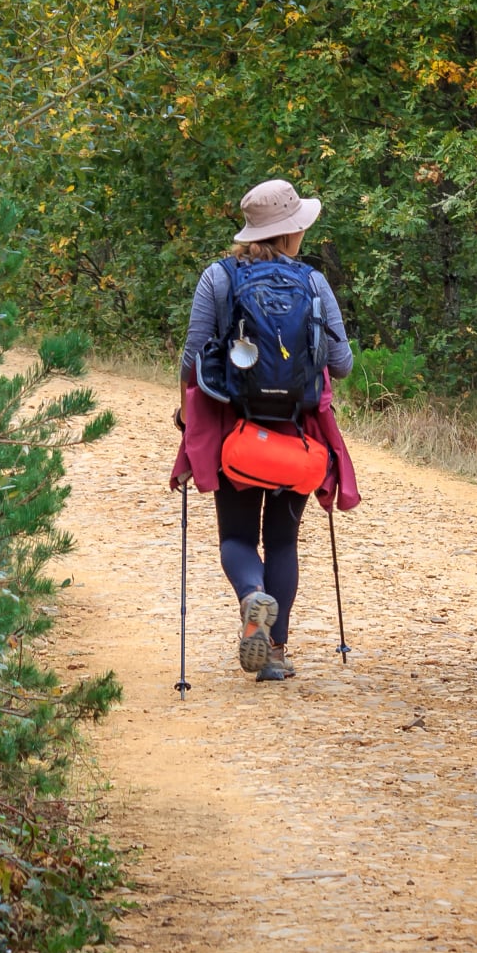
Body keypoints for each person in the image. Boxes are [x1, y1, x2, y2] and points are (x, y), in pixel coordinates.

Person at [179, 178, 354, 681]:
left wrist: (188, 423)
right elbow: (339, 363)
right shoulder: (313, 282)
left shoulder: (218, 277)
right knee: (283, 541)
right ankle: (274, 654)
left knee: (236, 535)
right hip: (296, 437)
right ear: (293, 231)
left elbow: (193, 361)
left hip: (237, 434)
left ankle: (252, 595)